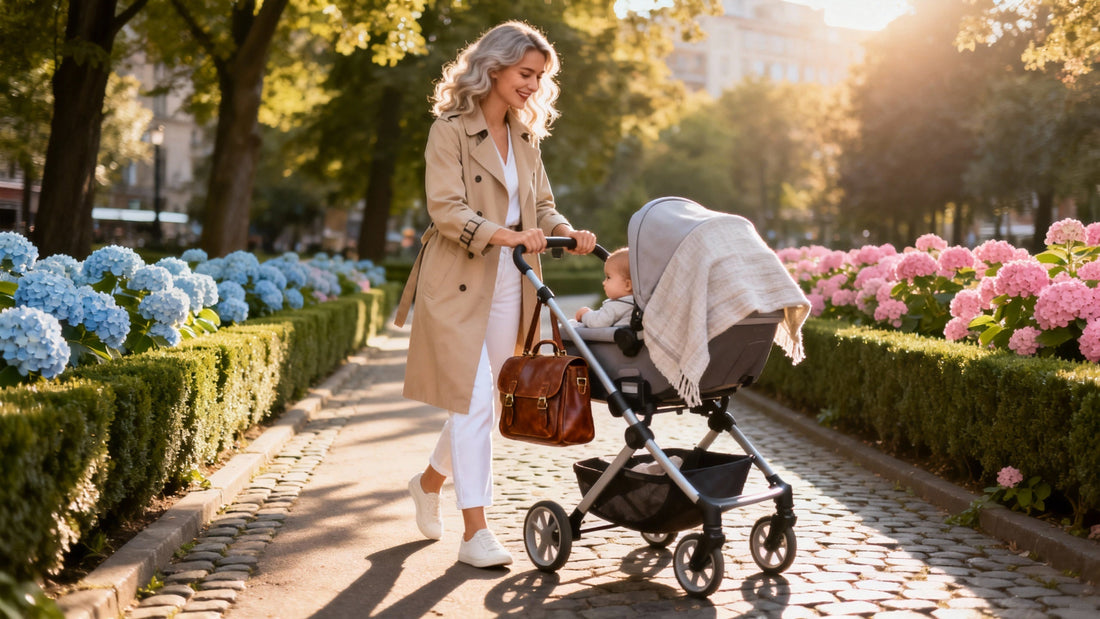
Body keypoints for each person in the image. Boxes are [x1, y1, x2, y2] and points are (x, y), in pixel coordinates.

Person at [392, 21, 597, 569]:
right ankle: (475, 532)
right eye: (525, 73)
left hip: (513, 281)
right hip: (457, 281)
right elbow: (446, 208)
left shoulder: (525, 137)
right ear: (494, 67)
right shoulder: (449, 131)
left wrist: (567, 231)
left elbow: (542, 206)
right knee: (474, 398)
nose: (533, 84)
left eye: (540, 77)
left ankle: (428, 482)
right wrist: (506, 235)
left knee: (490, 396)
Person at [573, 248, 634, 328]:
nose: (604, 282)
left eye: (608, 277)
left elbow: (598, 322)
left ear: (627, 285)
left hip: (615, 336)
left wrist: (585, 314)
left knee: (570, 325)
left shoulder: (616, 305)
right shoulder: (637, 305)